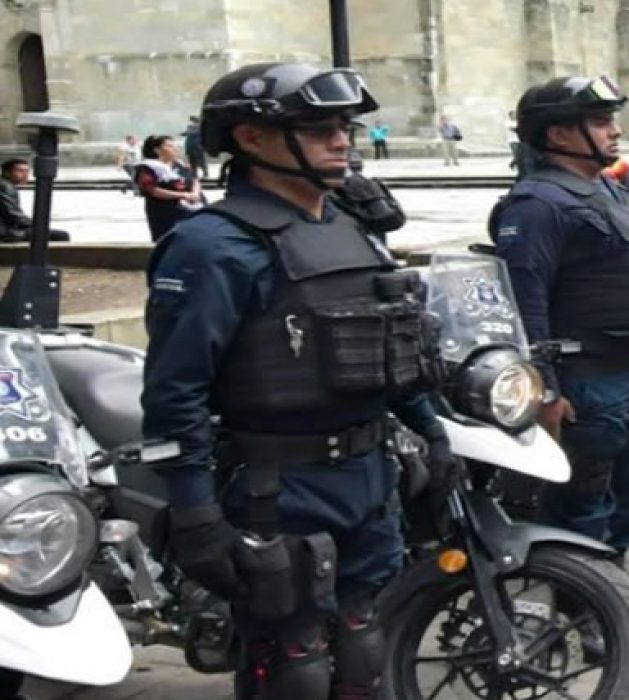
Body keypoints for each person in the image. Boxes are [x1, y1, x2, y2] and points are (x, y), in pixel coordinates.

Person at [143, 63, 450, 700]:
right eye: (317, 130)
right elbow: (176, 392)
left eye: (343, 127)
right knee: (294, 660)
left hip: (367, 477)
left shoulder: (348, 227)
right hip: (277, 491)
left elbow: (390, 339)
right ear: (251, 139)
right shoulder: (212, 245)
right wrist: (195, 512)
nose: (341, 141)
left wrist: (431, 431)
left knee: (365, 645)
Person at [489, 78, 629, 617]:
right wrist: (546, 387)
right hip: (585, 379)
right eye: (599, 122)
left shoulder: (606, 189)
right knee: (581, 508)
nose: (616, 130)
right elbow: (523, 303)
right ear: (557, 134)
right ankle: (585, 611)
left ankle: (607, 597)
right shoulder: (536, 205)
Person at [132, 134, 202, 241]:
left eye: (174, 146)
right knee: (168, 239)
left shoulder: (180, 165)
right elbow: (152, 190)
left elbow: (194, 179)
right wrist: (184, 195)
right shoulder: (148, 168)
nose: (174, 149)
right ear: (157, 150)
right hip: (165, 211)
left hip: (190, 208)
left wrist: (195, 193)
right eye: (169, 146)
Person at [0, 158, 69, 242]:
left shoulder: (5, 185)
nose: (25, 174)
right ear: (7, 173)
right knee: (61, 235)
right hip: (7, 233)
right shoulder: (5, 187)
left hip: (7, 230)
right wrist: (38, 226)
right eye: (20, 171)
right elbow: (12, 215)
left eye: (27, 171)